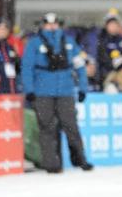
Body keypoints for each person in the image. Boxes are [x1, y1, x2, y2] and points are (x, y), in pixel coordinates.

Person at [21, 13, 92, 173]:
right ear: (42, 25)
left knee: (71, 126)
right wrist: (29, 90)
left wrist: (82, 87)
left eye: (55, 24)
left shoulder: (68, 42)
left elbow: (80, 66)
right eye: (48, 24)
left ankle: (80, 159)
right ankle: (52, 164)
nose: (52, 27)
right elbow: (27, 68)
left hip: (65, 90)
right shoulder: (34, 44)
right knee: (47, 128)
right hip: (43, 91)